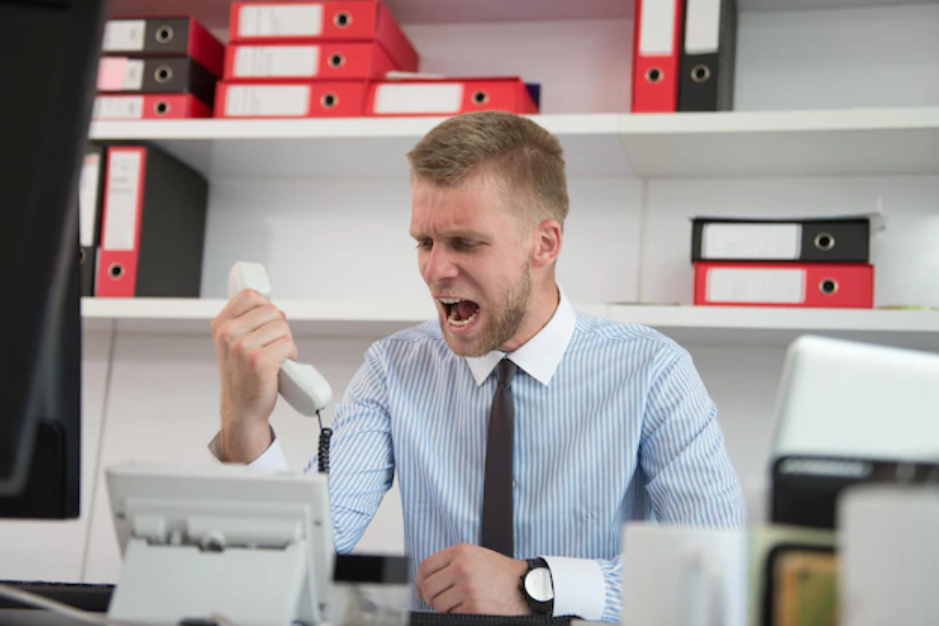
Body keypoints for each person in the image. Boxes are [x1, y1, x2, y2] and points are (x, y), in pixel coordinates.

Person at [209, 111, 747, 622]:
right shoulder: (393, 367)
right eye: (425, 242)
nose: (436, 270)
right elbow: (294, 560)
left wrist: (537, 585)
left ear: (544, 243)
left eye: (466, 243)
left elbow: (717, 571)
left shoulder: (653, 371)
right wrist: (245, 424)